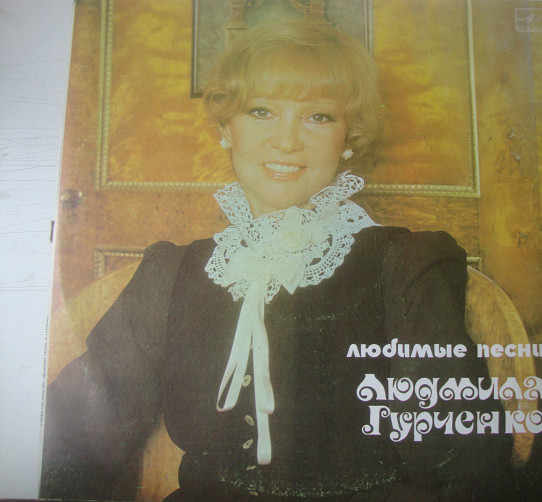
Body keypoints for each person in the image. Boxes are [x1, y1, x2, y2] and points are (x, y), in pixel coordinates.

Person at [40, 21, 511, 501]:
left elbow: (463, 467)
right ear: (227, 128)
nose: (286, 141)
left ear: (349, 137)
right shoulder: (171, 274)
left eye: (318, 117)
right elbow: (71, 438)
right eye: (261, 111)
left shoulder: (403, 265)